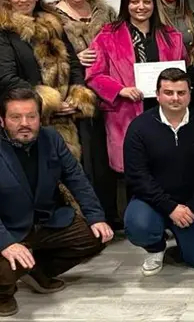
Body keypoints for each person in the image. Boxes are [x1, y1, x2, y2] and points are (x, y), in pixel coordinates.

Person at [0, 88, 113, 317]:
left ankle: (37, 270)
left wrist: (96, 216)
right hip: (8, 228)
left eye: (31, 116)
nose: (25, 123)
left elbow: (76, 178)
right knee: (9, 264)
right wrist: (5, 243)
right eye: (15, 117)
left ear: (40, 118)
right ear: (2, 121)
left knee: (96, 235)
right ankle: (3, 293)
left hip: (45, 222)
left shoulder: (51, 138)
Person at [122, 69, 194, 276]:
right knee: (139, 225)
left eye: (181, 92)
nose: (175, 98)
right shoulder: (139, 127)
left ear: (189, 94)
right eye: (168, 92)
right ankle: (155, 247)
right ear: (157, 94)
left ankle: (180, 232)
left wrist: (193, 207)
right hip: (152, 202)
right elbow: (137, 176)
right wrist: (170, 208)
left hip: (192, 205)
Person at [86, 0, 187, 175]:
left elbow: (182, 71)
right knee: (134, 174)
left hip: (165, 112)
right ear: (126, 4)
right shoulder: (107, 35)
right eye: (134, 2)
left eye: (147, 2)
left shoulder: (172, 36)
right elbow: (94, 76)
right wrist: (120, 89)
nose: (141, 7)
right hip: (126, 113)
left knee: (167, 170)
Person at [0, 0, 97, 160]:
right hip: (27, 120)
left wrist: (76, 96)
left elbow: (74, 63)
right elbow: (6, 78)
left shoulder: (52, 24)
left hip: (69, 118)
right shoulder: (3, 31)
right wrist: (49, 102)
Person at [50, 0, 119, 227]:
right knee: (80, 160)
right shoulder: (53, 17)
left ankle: (111, 217)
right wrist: (76, 59)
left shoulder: (106, 12)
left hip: (109, 95)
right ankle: (85, 220)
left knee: (105, 158)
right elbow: (49, 56)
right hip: (74, 97)